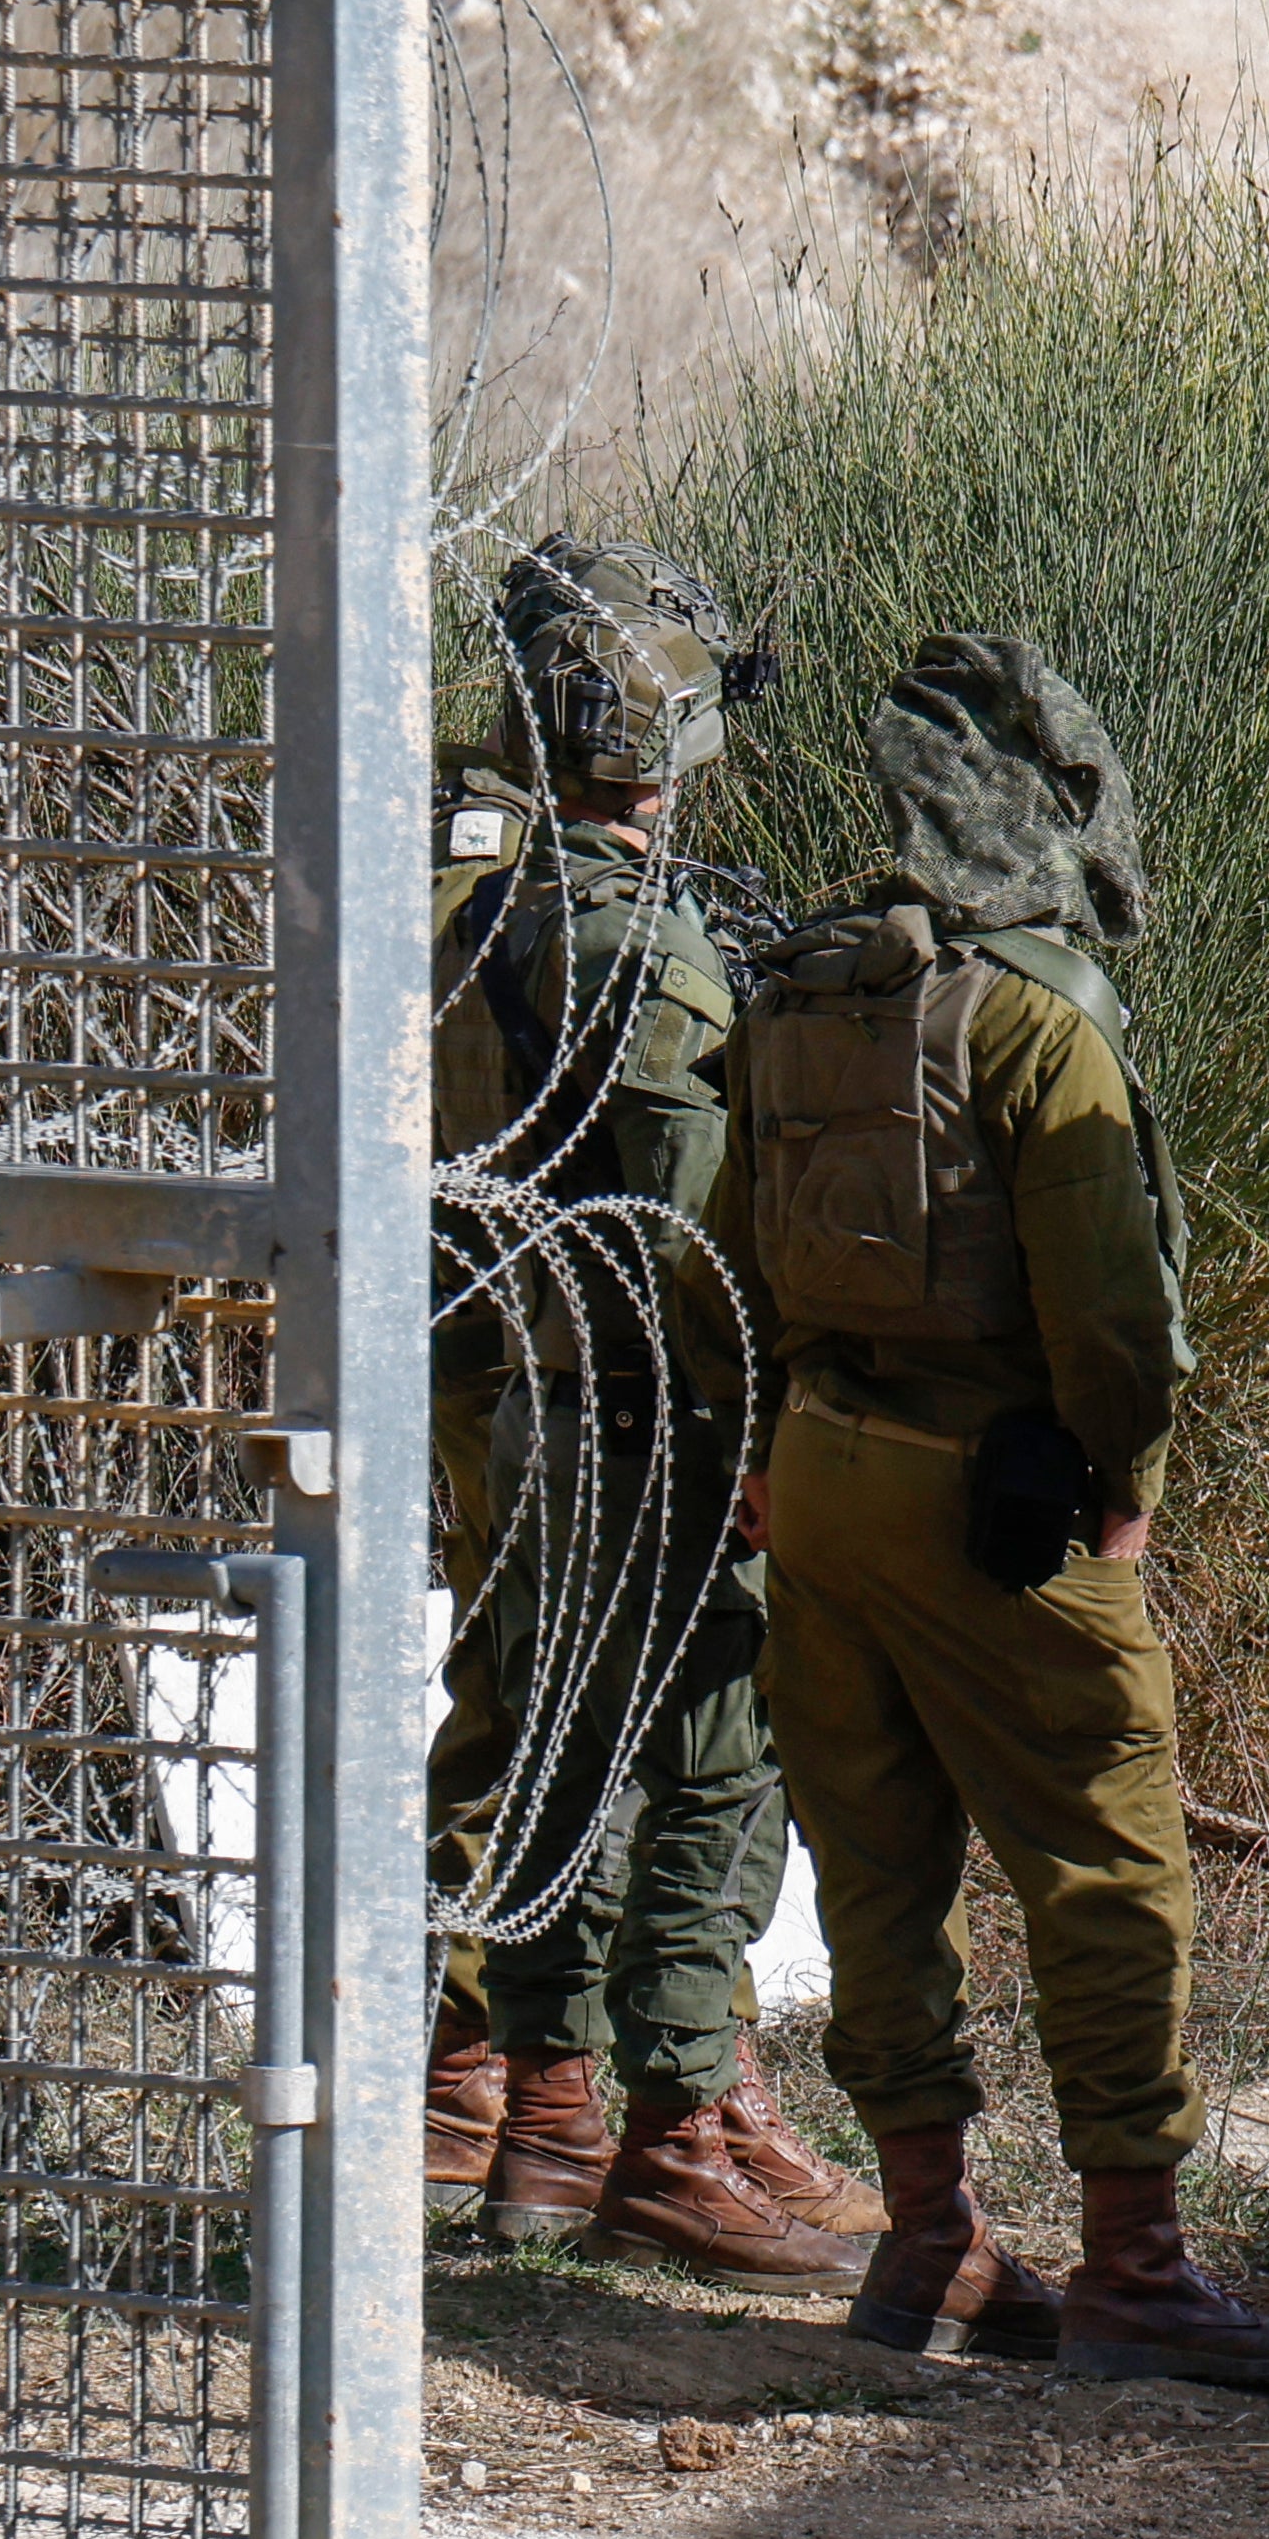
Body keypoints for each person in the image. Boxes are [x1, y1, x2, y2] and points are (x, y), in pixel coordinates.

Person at [713, 638, 1269, 2393]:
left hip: (821, 1481)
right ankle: (1140, 2271)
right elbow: (1115, 1322)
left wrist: (774, 1450)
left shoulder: (804, 990)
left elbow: (742, 1254)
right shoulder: (1036, 1026)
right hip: (993, 1499)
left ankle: (930, 2242)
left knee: (879, 1872)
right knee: (1107, 1865)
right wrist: (1123, 1494)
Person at [417, 538, 874, 2292]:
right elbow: (695, 1227)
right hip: (630, 1403)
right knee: (707, 1747)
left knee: (529, 1732)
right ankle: (665, 2120)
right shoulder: (651, 958)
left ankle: (543, 2107)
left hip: (502, 1375)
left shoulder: (475, 911)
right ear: (662, 753)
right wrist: (759, 1431)